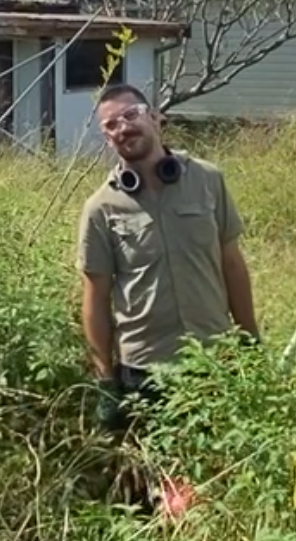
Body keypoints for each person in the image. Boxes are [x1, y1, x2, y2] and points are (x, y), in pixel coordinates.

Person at [76, 81, 259, 432]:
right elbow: (95, 299)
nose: (123, 127)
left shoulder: (208, 180)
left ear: (156, 119)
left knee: (221, 472)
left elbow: (232, 265)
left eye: (131, 115)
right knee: (158, 484)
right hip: (145, 372)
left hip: (214, 359)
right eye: (111, 125)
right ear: (106, 138)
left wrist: (250, 342)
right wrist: (106, 381)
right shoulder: (100, 208)